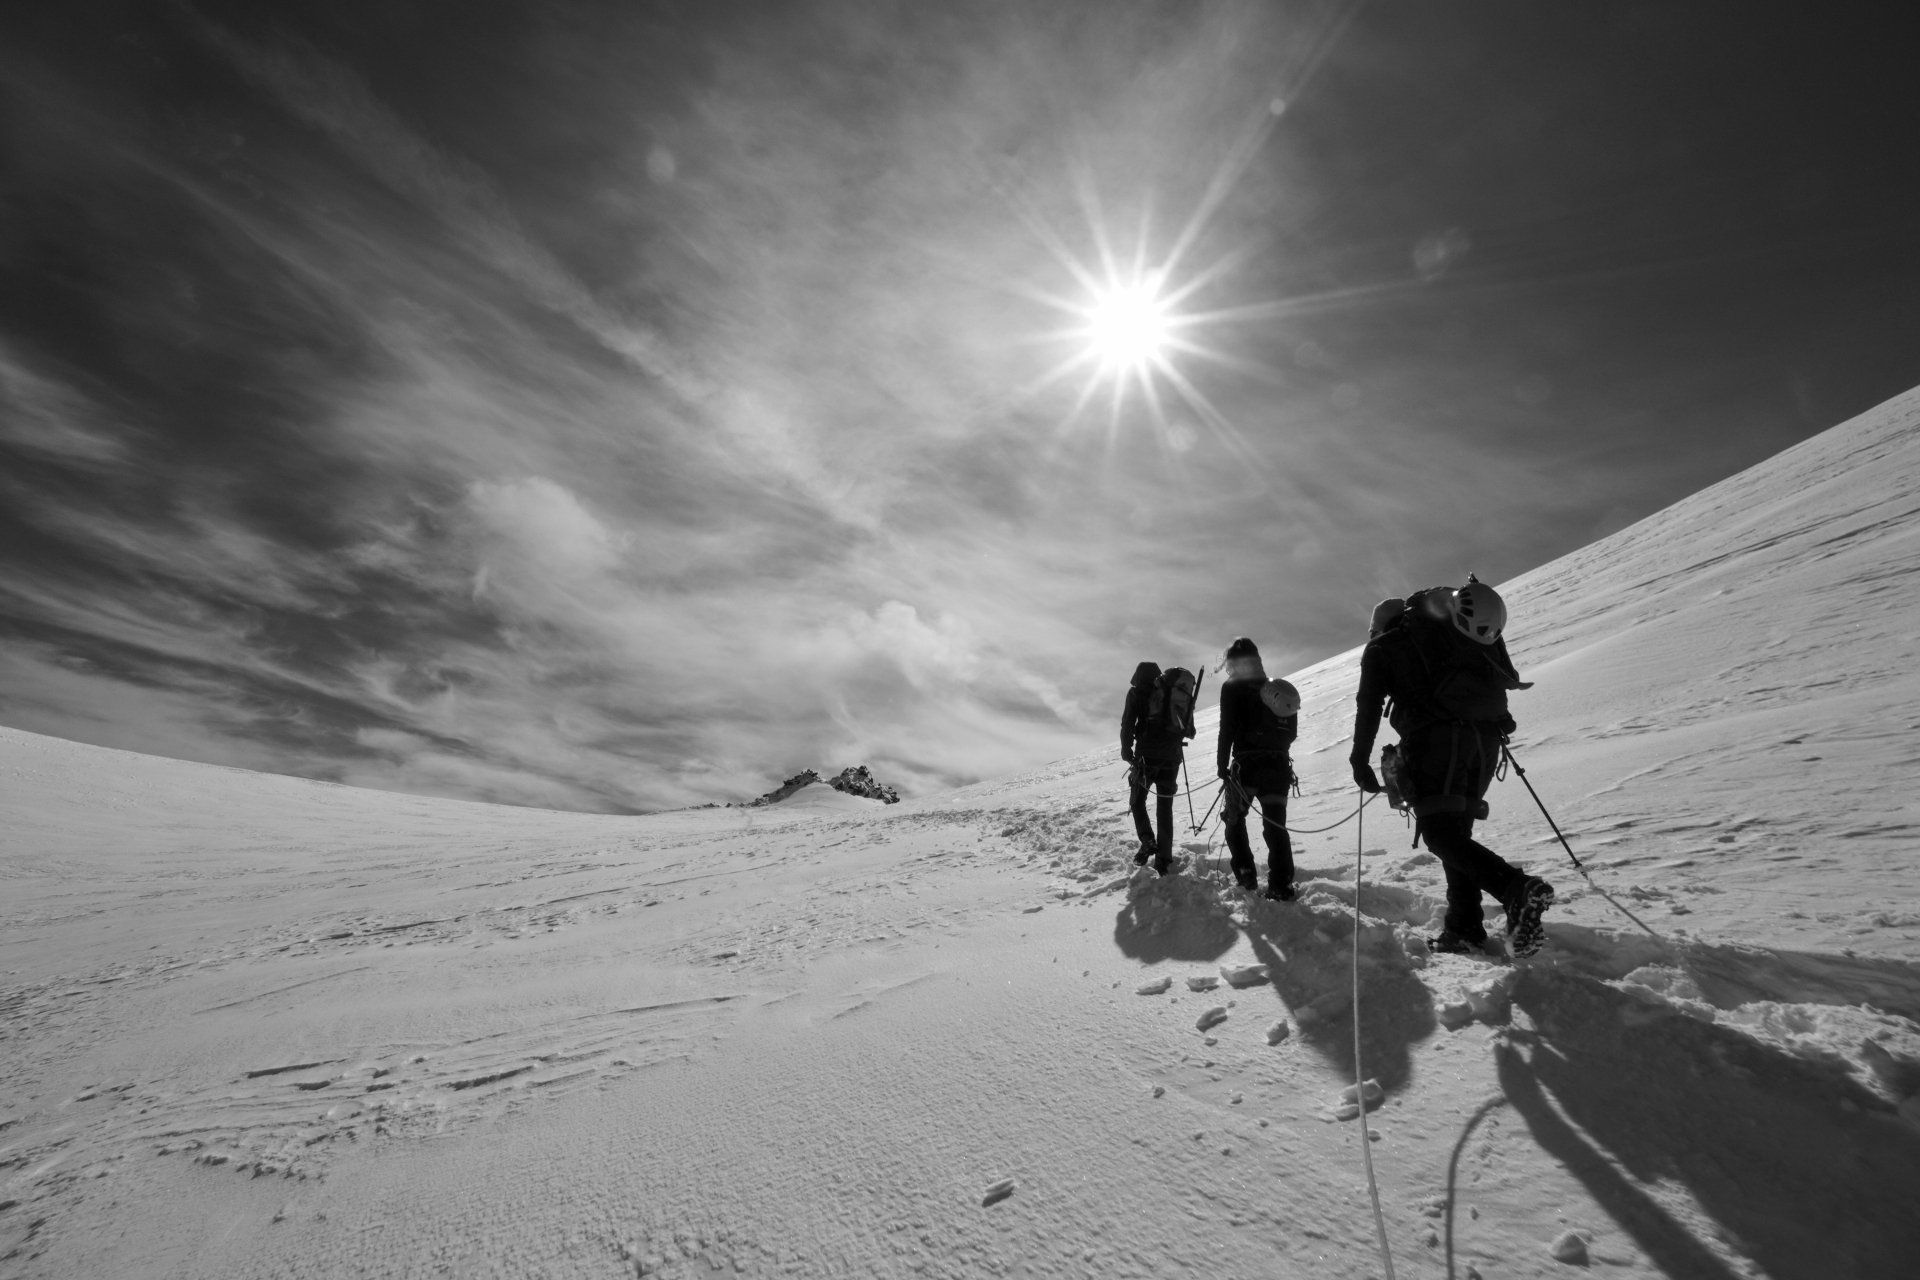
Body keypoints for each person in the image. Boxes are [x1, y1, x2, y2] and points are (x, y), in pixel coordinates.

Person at [1348, 580, 1555, 956]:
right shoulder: (1448, 634)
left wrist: (1359, 760)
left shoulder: (1385, 647)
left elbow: (1368, 707)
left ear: (1380, 626)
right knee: (1455, 835)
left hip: (1437, 743)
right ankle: (1464, 927)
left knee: (1441, 836)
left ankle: (1516, 890)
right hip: (1485, 744)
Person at [1215, 637, 1298, 900]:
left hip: (1246, 767)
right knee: (1275, 825)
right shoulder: (1278, 687)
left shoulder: (1232, 688)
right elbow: (1291, 732)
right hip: (1278, 767)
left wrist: (1221, 764)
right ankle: (1281, 885)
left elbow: (1226, 728)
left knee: (1233, 818)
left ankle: (1246, 873)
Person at [1120, 661, 1190, 874]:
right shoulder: (1168, 692)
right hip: (1172, 757)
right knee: (1164, 807)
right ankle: (1164, 859)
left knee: (1137, 799)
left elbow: (1128, 724)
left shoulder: (1136, 693)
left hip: (1146, 756)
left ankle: (1147, 840)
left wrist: (1126, 749)